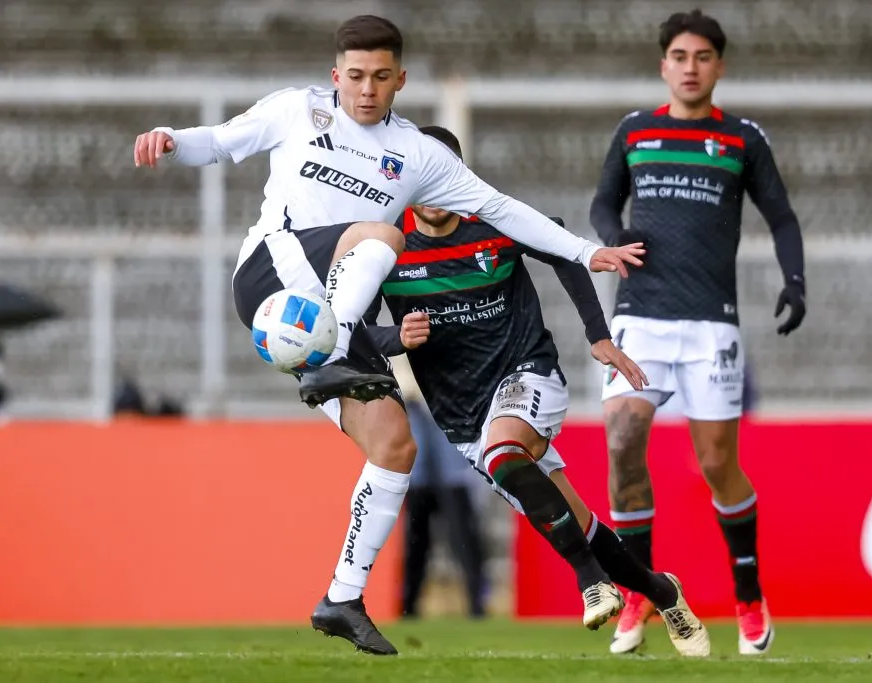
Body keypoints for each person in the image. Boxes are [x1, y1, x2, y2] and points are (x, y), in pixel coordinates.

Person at [132, 15, 644, 656]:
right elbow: (221, 140)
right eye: (353, 77)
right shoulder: (298, 111)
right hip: (273, 279)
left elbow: (500, 207)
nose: (366, 90)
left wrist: (582, 250)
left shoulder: (419, 156)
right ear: (334, 76)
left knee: (395, 447)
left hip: (318, 330)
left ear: (400, 79)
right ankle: (338, 351)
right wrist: (169, 139)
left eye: (380, 77)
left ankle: (341, 598)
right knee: (384, 236)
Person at [366, 125, 710, 657]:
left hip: (528, 373)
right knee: (575, 516)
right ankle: (664, 591)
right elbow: (355, 329)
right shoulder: (384, 244)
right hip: (459, 415)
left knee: (506, 450)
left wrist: (599, 335)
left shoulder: (495, 219)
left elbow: (565, 249)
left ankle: (590, 580)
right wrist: (394, 336)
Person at [590, 10, 806, 656]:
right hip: (641, 317)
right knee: (623, 436)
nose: (690, 66)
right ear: (664, 65)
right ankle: (641, 591)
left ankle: (747, 595)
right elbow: (604, 202)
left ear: (719, 65)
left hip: (711, 323)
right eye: (679, 56)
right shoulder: (636, 130)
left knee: (717, 463)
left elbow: (783, 217)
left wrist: (794, 280)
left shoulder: (742, 138)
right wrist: (611, 239)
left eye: (703, 56)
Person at [393, 356, 488, 620]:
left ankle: (476, 604)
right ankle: (409, 605)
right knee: (417, 538)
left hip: (448, 450)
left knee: (462, 537)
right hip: (422, 451)